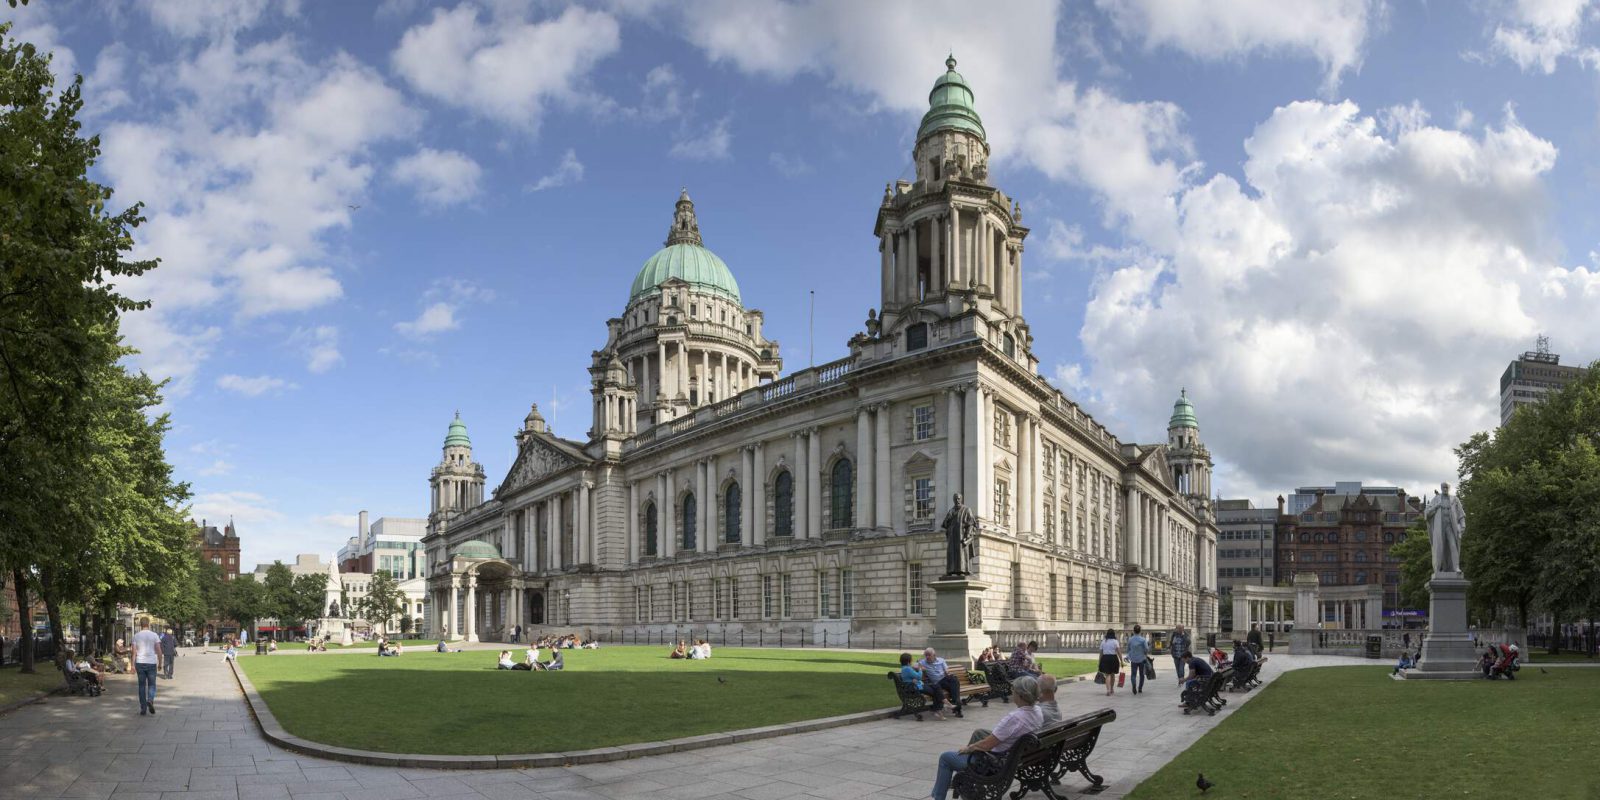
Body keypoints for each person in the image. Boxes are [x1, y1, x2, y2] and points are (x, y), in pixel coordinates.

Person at [928, 676, 1044, 800]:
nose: (1012, 693)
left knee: (946, 757)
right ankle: (965, 778)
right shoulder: (1037, 710)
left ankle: (939, 796)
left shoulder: (1015, 718)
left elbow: (987, 745)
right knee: (979, 733)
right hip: (1016, 756)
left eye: (1014, 690)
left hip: (996, 762)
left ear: (1021, 695)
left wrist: (968, 748)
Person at [918, 648, 964, 719]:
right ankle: (957, 706)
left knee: (954, 680)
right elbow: (914, 666)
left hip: (945, 679)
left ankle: (955, 703)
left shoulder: (941, 660)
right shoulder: (923, 662)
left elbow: (946, 670)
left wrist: (947, 673)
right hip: (937, 682)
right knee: (954, 687)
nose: (927, 657)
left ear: (934, 655)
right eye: (926, 655)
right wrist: (920, 666)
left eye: (929, 655)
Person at [131, 617, 163, 716]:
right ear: (148, 624)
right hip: (151, 662)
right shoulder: (154, 635)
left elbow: (134, 652)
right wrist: (160, 663)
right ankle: (150, 700)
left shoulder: (136, 636)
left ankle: (143, 708)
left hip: (140, 663)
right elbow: (159, 650)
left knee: (141, 686)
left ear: (140, 624)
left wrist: (132, 665)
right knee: (152, 684)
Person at [900, 652, 944, 720]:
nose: (912, 661)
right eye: (911, 660)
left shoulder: (905, 668)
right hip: (915, 687)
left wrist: (915, 673)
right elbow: (919, 677)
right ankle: (937, 709)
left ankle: (937, 709)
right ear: (908, 661)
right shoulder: (907, 669)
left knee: (936, 687)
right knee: (936, 691)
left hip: (916, 685)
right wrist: (920, 669)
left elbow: (915, 677)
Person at [1126, 624, 1151, 695]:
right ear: (1140, 631)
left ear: (1133, 631)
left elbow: (1128, 649)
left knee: (1133, 674)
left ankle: (1134, 684)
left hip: (1133, 659)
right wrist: (1145, 653)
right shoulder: (1143, 640)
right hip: (1142, 659)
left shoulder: (1130, 639)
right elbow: (1146, 649)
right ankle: (1140, 688)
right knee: (1141, 674)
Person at [1097, 629, 1122, 696]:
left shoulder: (1103, 642)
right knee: (1113, 674)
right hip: (1113, 658)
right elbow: (1119, 652)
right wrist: (1121, 661)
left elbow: (1101, 653)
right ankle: (1112, 689)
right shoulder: (1115, 641)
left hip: (1105, 658)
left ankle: (1108, 690)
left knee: (1107, 675)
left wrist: (1099, 661)